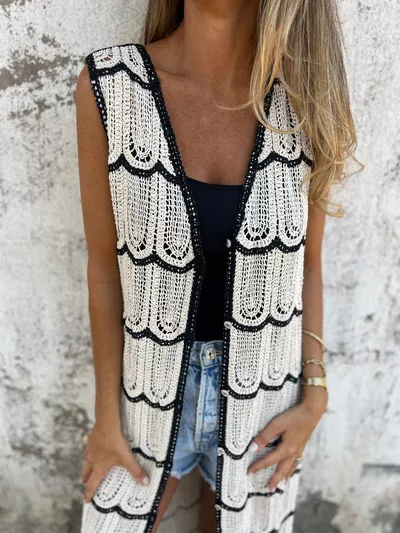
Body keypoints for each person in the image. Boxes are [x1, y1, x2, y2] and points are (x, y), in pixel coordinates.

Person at [75, 1, 362, 532]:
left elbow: (308, 268)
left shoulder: (307, 100)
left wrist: (315, 393)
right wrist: (105, 419)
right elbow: (104, 271)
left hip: (266, 402)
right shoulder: (111, 85)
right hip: (143, 396)